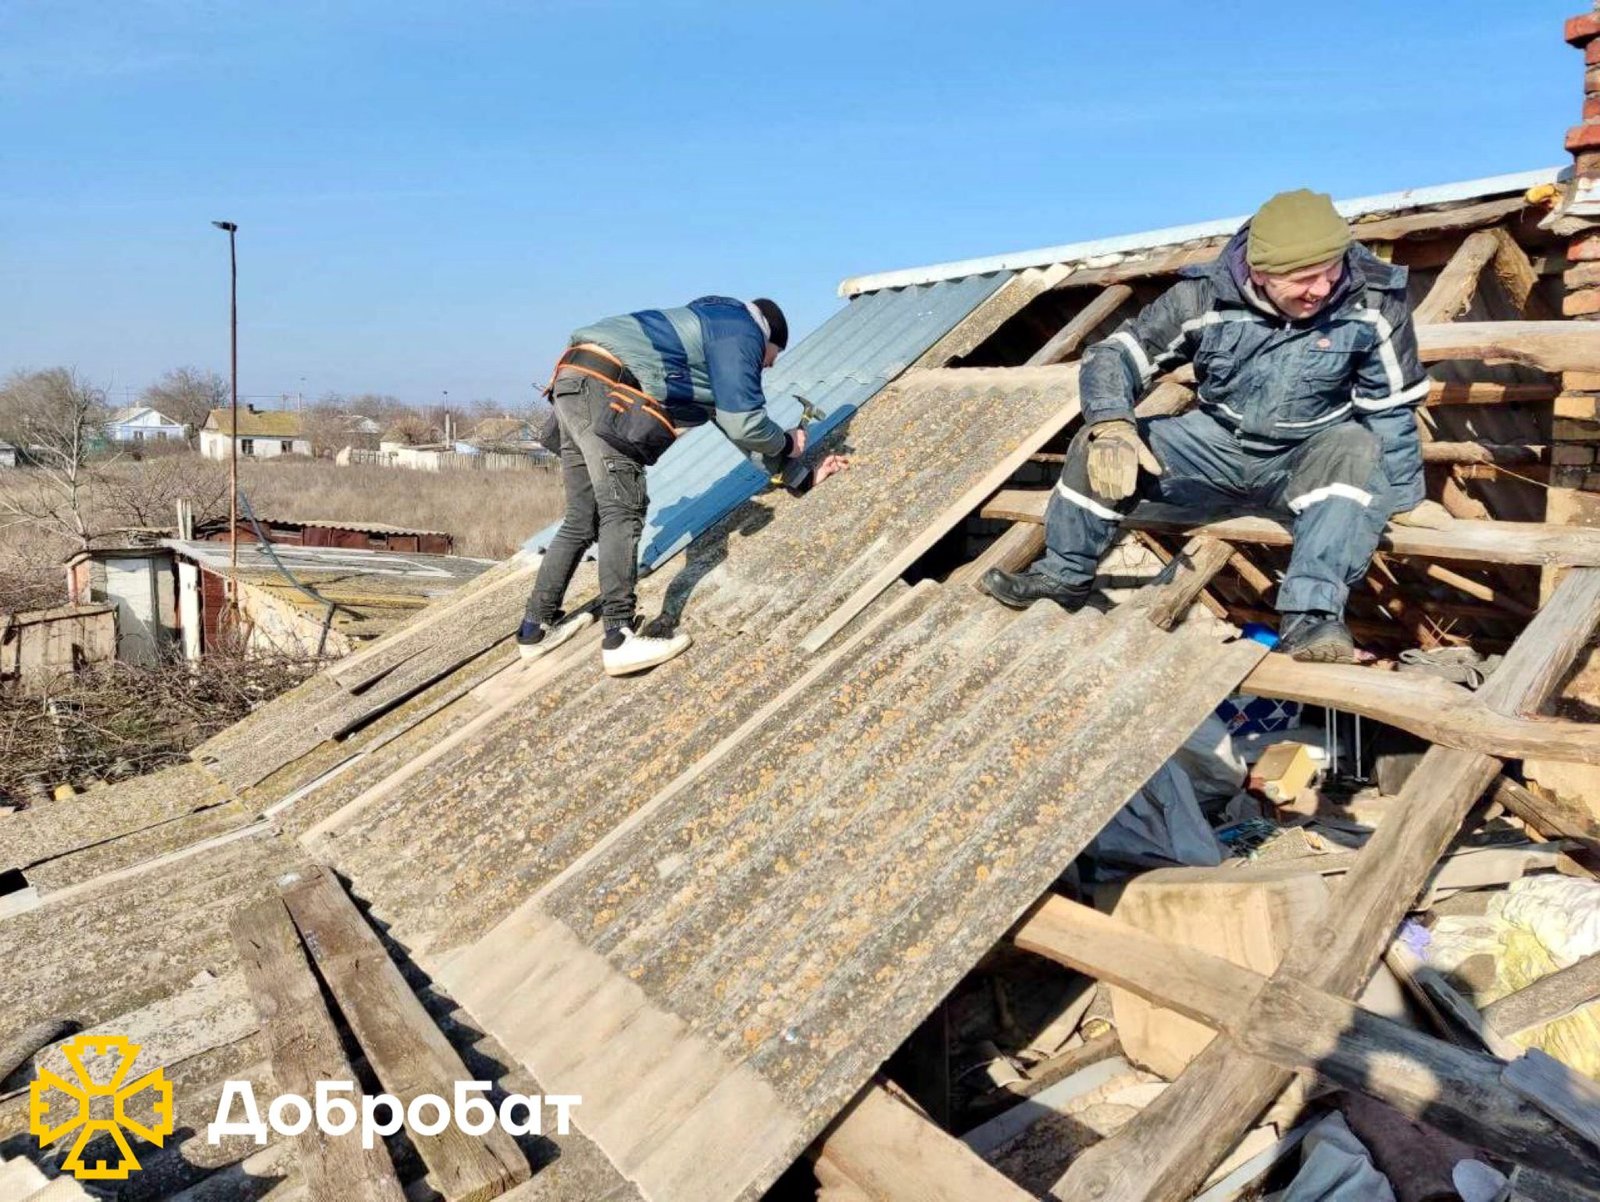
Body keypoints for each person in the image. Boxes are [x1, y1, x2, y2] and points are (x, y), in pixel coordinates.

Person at [983, 189, 1452, 662]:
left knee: (1355, 445)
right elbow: (1116, 354)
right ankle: (1063, 578)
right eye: (1305, 279)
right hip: (1215, 447)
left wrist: (1404, 498)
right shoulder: (1203, 296)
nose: (1323, 288)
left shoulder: (1373, 301)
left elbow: (1390, 407)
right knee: (1097, 442)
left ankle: (1311, 620)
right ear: (1260, 272)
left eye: (1332, 271)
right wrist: (1111, 423)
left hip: (1306, 457)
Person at [521, 295, 845, 676]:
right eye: (774, 354)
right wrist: (787, 442)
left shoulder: (708, 339)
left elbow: (733, 425)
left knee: (583, 515)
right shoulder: (741, 330)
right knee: (622, 508)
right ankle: (619, 638)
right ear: (768, 336)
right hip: (604, 387)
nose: (771, 364)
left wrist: (800, 477)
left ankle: (535, 629)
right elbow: (745, 422)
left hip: (572, 380)